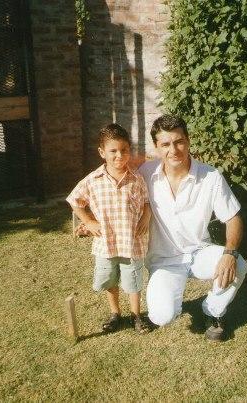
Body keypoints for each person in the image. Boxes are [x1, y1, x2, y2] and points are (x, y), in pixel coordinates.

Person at [139, 115, 247, 342]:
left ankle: (213, 311)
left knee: (238, 263)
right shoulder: (145, 174)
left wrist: (229, 253)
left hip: (199, 253)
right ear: (157, 148)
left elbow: (233, 218)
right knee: (162, 316)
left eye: (179, 141)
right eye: (165, 144)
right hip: (164, 260)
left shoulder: (210, 176)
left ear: (188, 141)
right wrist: (92, 223)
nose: (173, 150)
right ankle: (171, 300)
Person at [66, 123, 151, 334]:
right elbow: (74, 200)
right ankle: (115, 313)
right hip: (106, 244)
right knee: (110, 279)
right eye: (113, 151)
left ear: (129, 150)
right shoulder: (92, 180)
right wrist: (88, 222)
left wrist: (146, 216)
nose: (119, 155)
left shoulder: (137, 179)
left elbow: (147, 201)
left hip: (132, 243)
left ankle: (136, 315)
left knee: (133, 280)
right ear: (102, 152)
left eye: (124, 150)